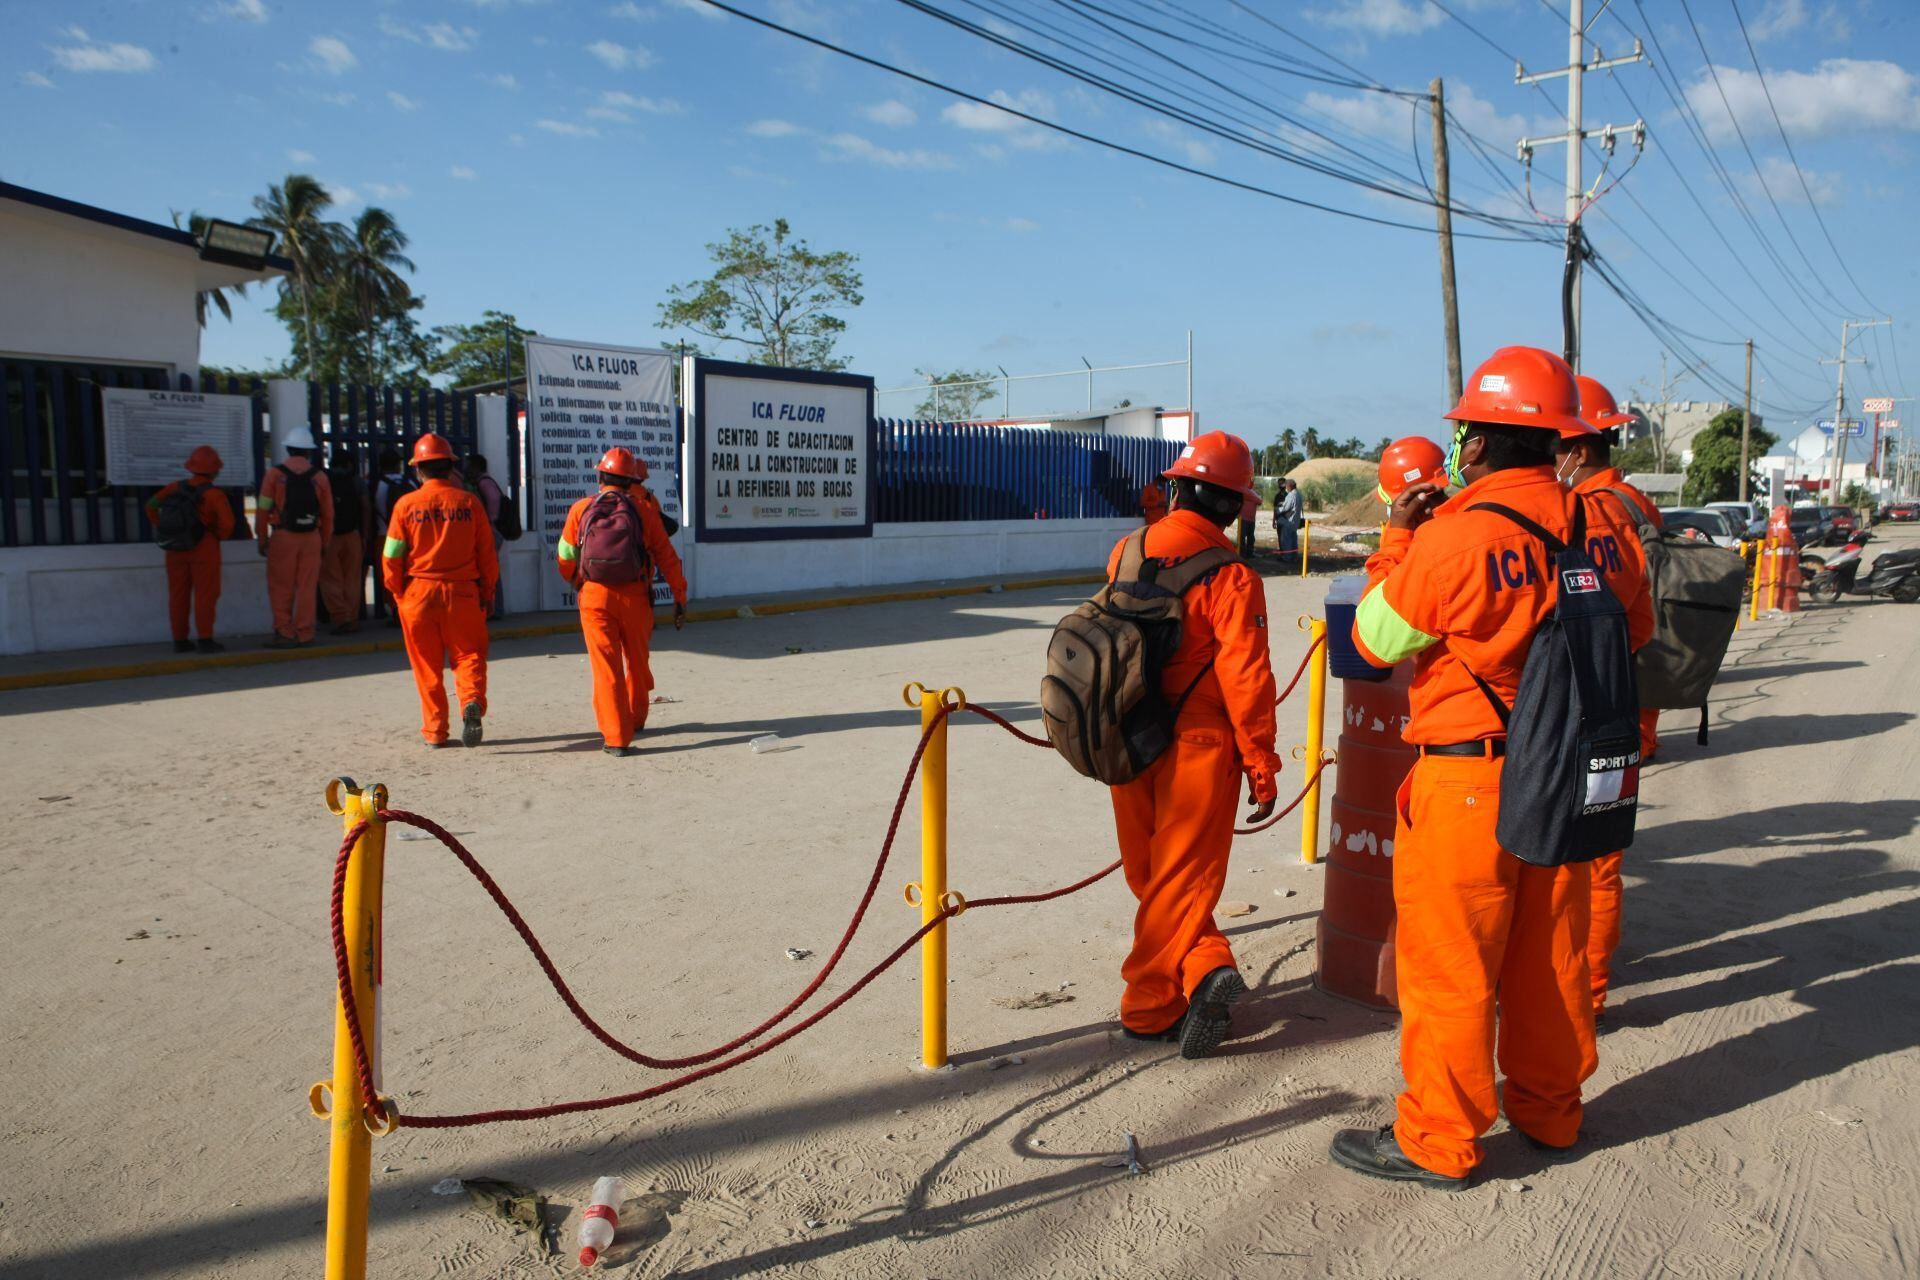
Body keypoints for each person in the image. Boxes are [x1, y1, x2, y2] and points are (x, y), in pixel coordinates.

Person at [1329, 346, 1653, 1190]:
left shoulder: (1454, 537)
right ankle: (1550, 1110)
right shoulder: (1607, 528)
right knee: (1552, 955)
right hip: (1571, 776)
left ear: (1472, 442)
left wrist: (1397, 538)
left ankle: (1441, 1138)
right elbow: (1639, 634)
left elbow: (1372, 641)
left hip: (1469, 777)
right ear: (1558, 438)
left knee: (1451, 965)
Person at [1108, 431, 1282, 1059]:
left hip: (1125, 735)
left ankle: (1206, 967)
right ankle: (1151, 1005)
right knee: (1179, 882)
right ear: (1235, 505)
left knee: (1152, 875)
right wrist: (1261, 763)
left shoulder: (1126, 550)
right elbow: (1247, 679)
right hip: (1198, 749)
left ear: (1178, 486)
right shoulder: (1233, 576)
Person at [1556, 373, 1663, 1026]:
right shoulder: (1635, 507)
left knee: (1555, 861)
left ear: (1571, 446)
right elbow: (1644, 624)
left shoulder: (1570, 516)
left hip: (1565, 716)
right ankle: (1588, 995)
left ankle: (1561, 988)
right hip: (1626, 713)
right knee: (1601, 863)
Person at [556, 447, 688, 757]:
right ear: (631, 482)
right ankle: (637, 716)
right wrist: (679, 597)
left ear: (600, 476)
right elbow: (667, 557)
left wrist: (578, 581)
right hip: (636, 597)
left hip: (595, 597)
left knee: (606, 667)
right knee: (638, 661)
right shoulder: (644, 510)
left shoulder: (580, 509)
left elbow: (564, 556)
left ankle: (616, 737)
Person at [382, 433, 498, 748]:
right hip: (462, 593)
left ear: (419, 470)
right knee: (469, 655)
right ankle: (470, 701)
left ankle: (435, 731)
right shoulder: (470, 503)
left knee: (426, 665)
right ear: (450, 468)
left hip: (418, 594)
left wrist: (398, 593)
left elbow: (391, 556)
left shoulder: (406, 505)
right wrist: (487, 592)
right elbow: (487, 555)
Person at [144, 445, 235, 653]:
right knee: (206, 594)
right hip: (205, 547)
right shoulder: (214, 495)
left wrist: (162, 526)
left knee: (177, 594)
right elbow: (227, 525)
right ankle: (205, 639)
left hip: (174, 548)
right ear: (215, 470)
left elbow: (150, 504)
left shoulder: (174, 488)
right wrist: (217, 536)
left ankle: (180, 640)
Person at [256, 427, 333, 648]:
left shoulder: (274, 475)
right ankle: (305, 633)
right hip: (311, 538)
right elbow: (328, 514)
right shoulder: (320, 477)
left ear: (288, 449)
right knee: (307, 587)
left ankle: (284, 633)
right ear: (309, 452)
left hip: (283, 537)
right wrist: (324, 542)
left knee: (281, 587)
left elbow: (262, 509)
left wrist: (261, 538)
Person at [321, 455, 371, 635]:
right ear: (349, 464)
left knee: (331, 579)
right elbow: (365, 507)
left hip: (330, 537)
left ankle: (340, 618)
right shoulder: (356, 481)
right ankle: (352, 618)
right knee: (353, 579)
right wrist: (364, 535)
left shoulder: (323, 480)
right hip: (352, 535)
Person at [466, 453, 507, 618]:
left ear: (477, 467)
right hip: (491, 530)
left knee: (491, 569)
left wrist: (486, 521)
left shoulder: (484, 483)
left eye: (469, 466)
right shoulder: (484, 482)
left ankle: (496, 608)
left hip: (491, 530)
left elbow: (493, 504)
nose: (467, 469)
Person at [1277, 479, 1303, 556]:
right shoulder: (1298, 494)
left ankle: (1287, 558)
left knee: (1286, 541)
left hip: (1289, 521)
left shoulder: (1291, 495)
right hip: (1295, 521)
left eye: (1286, 487)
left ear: (1290, 486)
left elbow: (1286, 508)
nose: (1286, 488)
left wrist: (1277, 510)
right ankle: (1294, 557)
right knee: (1293, 541)